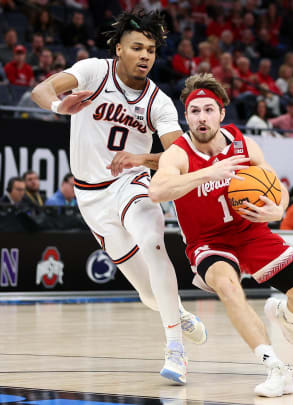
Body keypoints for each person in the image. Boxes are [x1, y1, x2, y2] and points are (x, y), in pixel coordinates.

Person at [31, 10, 206, 384]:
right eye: (137, 47)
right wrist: (58, 106)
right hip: (90, 197)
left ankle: (175, 348)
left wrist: (142, 158)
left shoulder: (158, 101)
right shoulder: (94, 71)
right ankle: (175, 312)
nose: (145, 56)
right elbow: (40, 90)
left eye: (152, 50)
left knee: (152, 241)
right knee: (146, 293)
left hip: (132, 184)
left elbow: (181, 158)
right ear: (119, 48)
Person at [148, 73, 293, 397]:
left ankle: (285, 313)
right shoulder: (179, 152)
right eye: (194, 112)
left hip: (251, 232)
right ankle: (276, 367)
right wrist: (208, 172)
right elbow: (157, 189)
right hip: (208, 244)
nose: (202, 118)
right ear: (185, 117)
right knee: (229, 288)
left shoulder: (243, 144)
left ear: (221, 113)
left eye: (208, 110)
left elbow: (277, 185)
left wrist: (279, 209)